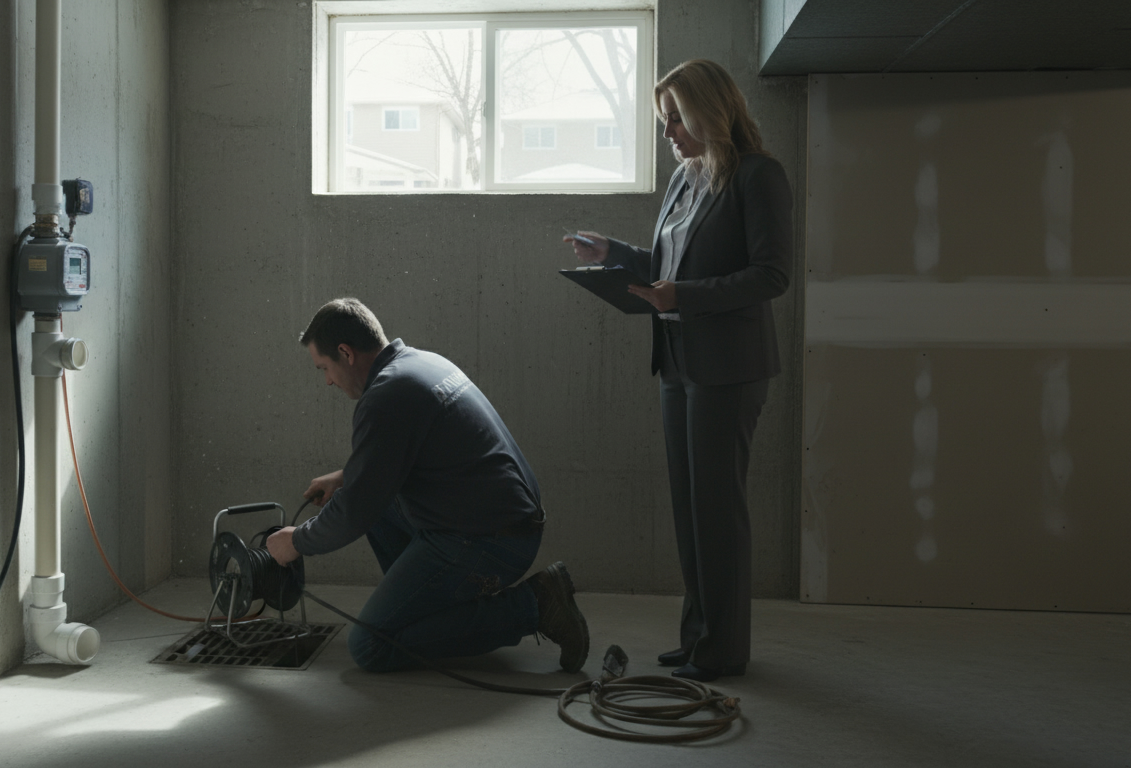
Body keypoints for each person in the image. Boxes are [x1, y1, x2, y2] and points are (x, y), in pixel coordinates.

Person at [564, 60, 792, 683]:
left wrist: (681, 297)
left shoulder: (758, 175)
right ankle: (698, 641)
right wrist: (615, 254)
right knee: (691, 510)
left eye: (675, 119)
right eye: (663, 120)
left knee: (718, 511)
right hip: (678, 362)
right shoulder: (685, 178)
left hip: (729, 368)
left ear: (709, 112)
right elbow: (673, 264)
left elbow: (771, 275)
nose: (667, 132)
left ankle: (723, 649)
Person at [265, 298, 590, 673]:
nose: (327, 381)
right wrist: (346, 476)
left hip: (491, 541)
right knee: (374, 500)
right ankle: (426, 605)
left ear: (346, 353)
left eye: (325, 368)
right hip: (501, 520)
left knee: (371, 645)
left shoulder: (384, 397)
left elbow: (354, 513)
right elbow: (405, 455)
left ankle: (535, 605)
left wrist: (296, 541)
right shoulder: (420, 364)